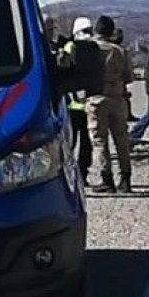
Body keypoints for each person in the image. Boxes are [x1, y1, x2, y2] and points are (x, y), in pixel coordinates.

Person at [86, 15, 134, 193]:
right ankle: (126, 178)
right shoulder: (120, 51)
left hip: (96, 99)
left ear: (96, 30)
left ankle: (107, 179)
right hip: (118, 99)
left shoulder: (88, 49)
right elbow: (129, 77)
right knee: (121, 141)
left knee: (100, 142)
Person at [62, 17, 95, 186]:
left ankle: (73, 174)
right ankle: (81, 173)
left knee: (74, 142)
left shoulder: (69, 47)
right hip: (86, 102)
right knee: (83, 141)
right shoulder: (94, 48)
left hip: (74, 102)